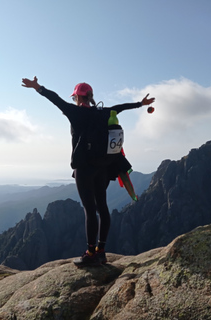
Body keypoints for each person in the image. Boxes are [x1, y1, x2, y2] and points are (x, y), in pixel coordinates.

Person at [22, 76, 155, 267]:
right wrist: (140, 104)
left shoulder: (74, 112)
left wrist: (37, 87)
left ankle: (90, 253)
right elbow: (120, 107)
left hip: (84, 169)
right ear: (91, 96)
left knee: (90, 210)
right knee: (102, 207)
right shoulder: (103, 112)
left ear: (77, 97)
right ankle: (101, 251)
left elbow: (55, 99)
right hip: (103, 168)